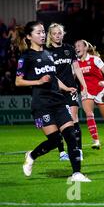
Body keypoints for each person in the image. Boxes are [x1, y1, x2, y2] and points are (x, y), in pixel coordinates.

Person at [15, 21, 90, 182]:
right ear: (29, 36)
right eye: (38, 33)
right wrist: (38, 82)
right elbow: (18, 82)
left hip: (58, 101)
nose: (42, 35)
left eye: (43, 32)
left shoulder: (48, 54)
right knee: (55, 140)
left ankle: (77, 173)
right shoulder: (26, 57)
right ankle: (32, 155)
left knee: (70, 135)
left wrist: (67, 88)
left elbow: (54, 78)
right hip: (41, 105)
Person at [47, 23, 87, 161]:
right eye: (55, 33)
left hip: (71, 89)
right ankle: (62, 152)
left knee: (74, 120)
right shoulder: (47, 52)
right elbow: (52, 75)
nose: (57, 35)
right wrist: (63, 87)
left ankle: (78, 150)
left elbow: (76, 68)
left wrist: (84, 85)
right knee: (59, 122)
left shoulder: (69, 49)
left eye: (59, 33)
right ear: (50, 35)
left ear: (63, 34)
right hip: (55, 91)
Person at [75, 39, 104, 150]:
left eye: (79, 45)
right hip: (86, 91)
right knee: (89, 115)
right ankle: (96, 141)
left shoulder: (95, 59)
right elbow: (72, 77)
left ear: (85, 48)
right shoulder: (75, 63)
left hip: (100, 90)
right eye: (75, 46)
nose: (77, 48)